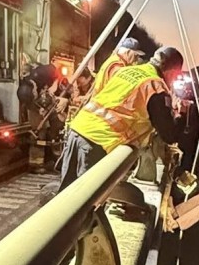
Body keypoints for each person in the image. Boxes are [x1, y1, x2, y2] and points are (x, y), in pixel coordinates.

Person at [57, 45, 186, 190]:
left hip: (78, 129)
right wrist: (181, 113)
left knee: (65, 196)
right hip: (98, 141)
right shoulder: (155, 86)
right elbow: (169, 134)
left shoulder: (127, 70)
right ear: (172, 71)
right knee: (84, 199)